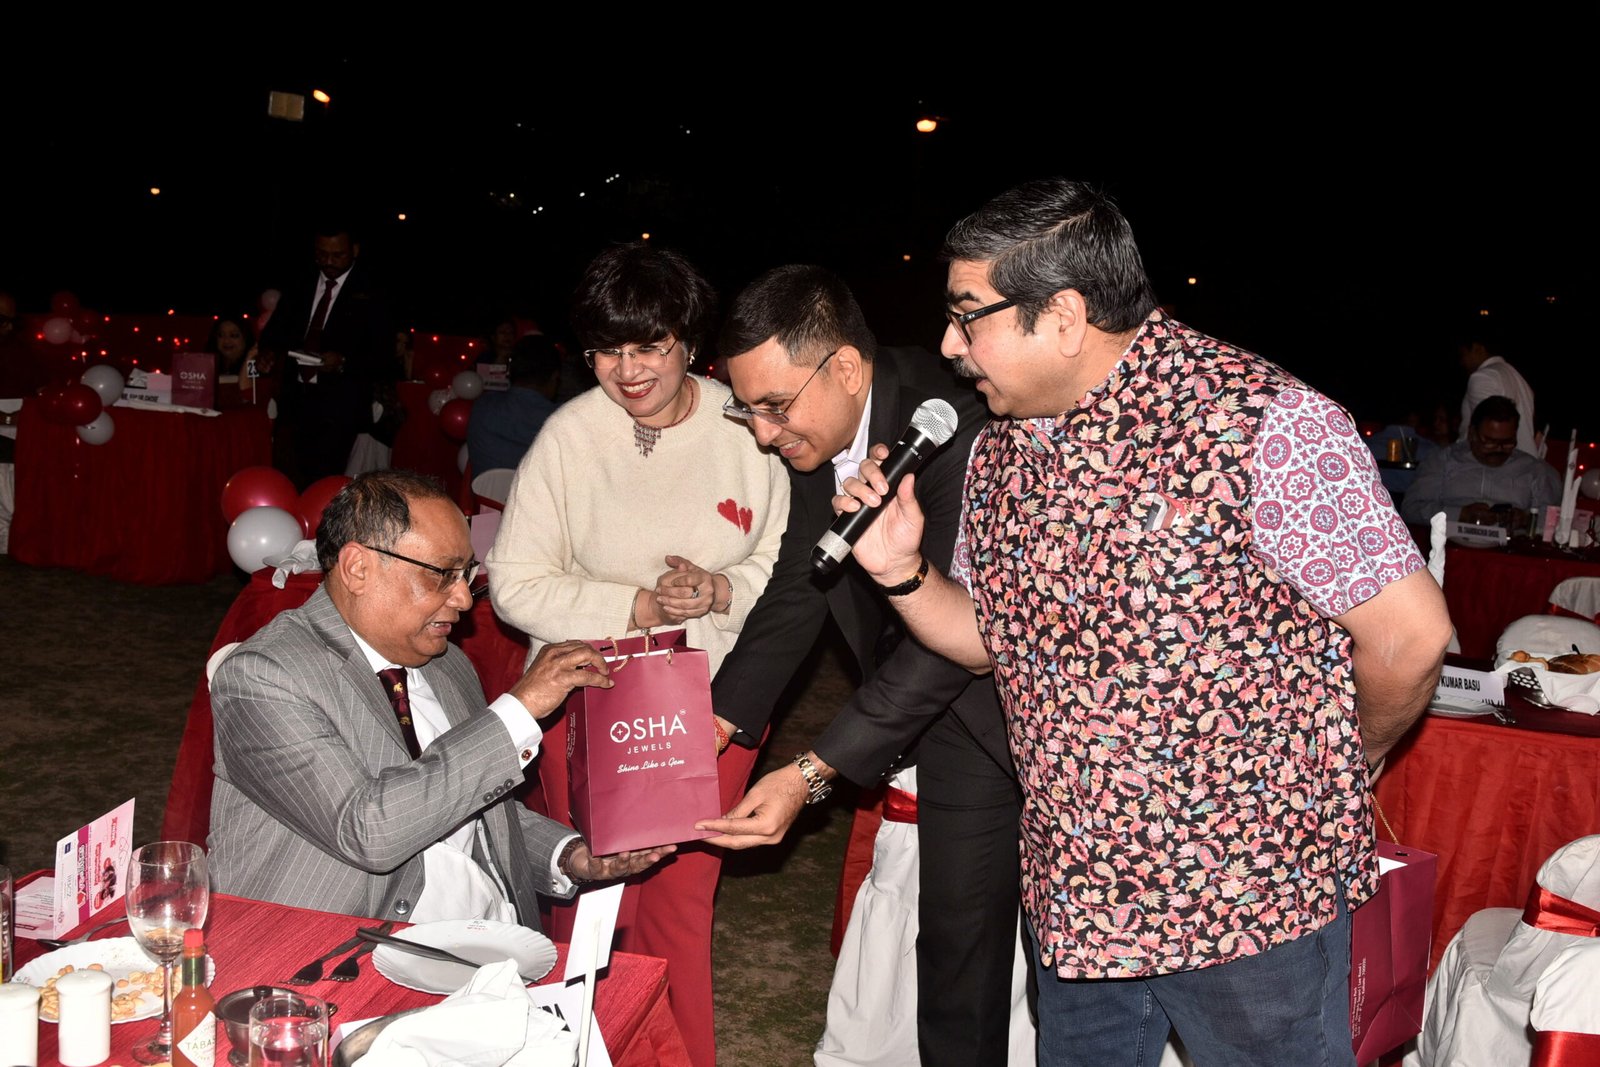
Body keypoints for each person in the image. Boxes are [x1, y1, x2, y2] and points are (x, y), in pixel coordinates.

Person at [839, 178, 1452, 1067]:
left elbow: (1409, 637)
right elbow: (987, 641)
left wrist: (1349, 760)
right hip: (1079, 903)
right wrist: (902, 572)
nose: (948, 344)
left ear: (1063, 315)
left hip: (1245, 907)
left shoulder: (1263, 423)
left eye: (968, 316)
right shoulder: (1002, 446)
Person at [694, 265, 1022, 1067]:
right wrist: (715, 721)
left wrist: (813, 772)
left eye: (774, 406)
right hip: (920, 707)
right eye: (748, 409)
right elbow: (799, 588)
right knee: (946, 949)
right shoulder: (822, 436)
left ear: (844, 367)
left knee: (987, 962)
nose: (763, 434)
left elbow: (953, 642)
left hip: (1003, 718)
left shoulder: (959, 427)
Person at [486, 243, 789, 1067]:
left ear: (689, 341)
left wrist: (721, 590)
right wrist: (637, 607)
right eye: (607, 350)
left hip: (710, 704)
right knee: (591, 899)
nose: (628, 370)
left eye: (649, 345)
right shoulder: (570, 436)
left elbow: (785, 566)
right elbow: (514, 582)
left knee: (679, 908)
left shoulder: (748, 428)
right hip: (590, 703)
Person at [209, 470, 670, 924]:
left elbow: (466, 806)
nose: (464, 599)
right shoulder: (264, 677)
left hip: (482, 937)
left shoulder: (445, 663)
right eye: (442, 574)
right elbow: (368, 830)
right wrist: (518, 710)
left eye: (466, 573)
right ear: (357, 568)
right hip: (340, 950)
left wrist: (570, 856)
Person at [257, 223, 398, 488]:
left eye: (337, 255)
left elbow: (384, 356)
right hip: (294, 402)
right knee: (287, 481)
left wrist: (344, 362)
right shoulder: (300, 282)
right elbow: (275, 332)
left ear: (354, 250)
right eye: (322, 254)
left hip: (340, 409)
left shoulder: (374, 292)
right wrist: (269, 353)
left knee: (328, 488)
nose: (329, 262)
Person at [1403, 394, 1563, 528]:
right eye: (1490, 442)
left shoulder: (1534, 470)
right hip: (1448, 547)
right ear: (1472, 433)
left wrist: (1526, 519)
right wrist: (1460, 514)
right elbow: (1410, 509)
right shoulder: (1442, 461)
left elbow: (1555, 519)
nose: (1499, 449)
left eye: (1507, 442)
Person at [467, 333, 561, 474]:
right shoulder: (563, 421)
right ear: (554, 377)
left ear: (510, 371)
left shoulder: (482, 407)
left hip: (487, 489)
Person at [1458, 329, 1538, 455]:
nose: (1462, 362)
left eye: (1463, 354)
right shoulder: (1516, 377)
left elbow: (1488, 436)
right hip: (1521, 459)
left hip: (1498, 461)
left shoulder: (1483, 377)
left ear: (1477, 348)